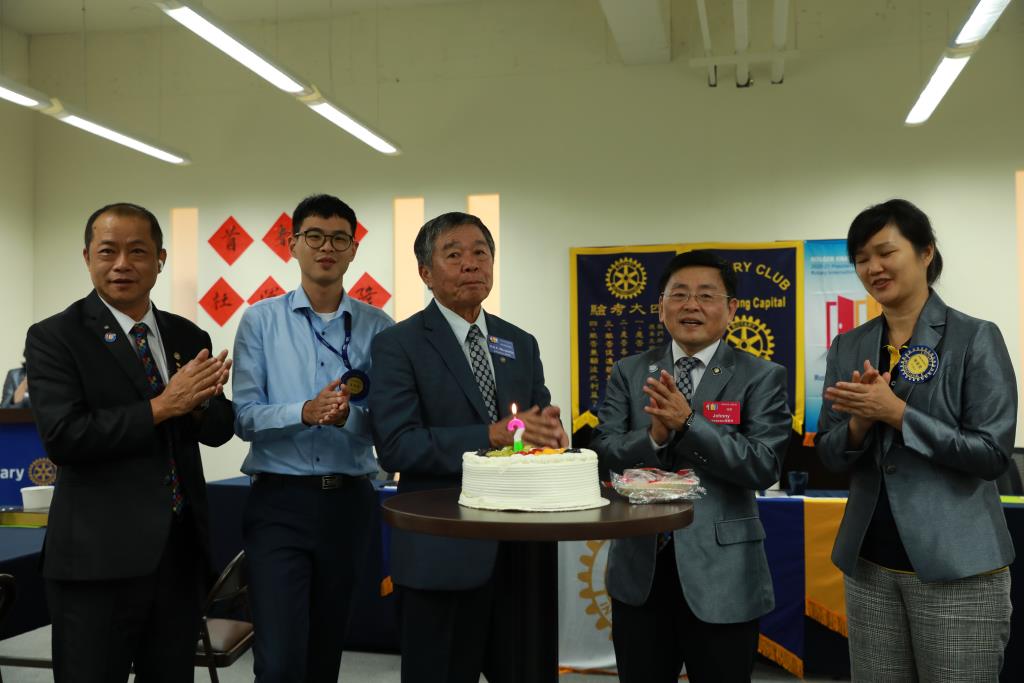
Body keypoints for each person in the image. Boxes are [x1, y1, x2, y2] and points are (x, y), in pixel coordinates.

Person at [25, 202, 234, 682]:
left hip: (178, 556)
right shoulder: (56, 337)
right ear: (87, 258)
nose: (122, 264)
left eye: (137, 251)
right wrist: (164, 405)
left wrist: (198, 404)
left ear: (160, 259)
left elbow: (219, 428)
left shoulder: (187, 335)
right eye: (108, 251)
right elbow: (65, 437)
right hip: (96, 562)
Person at [817, 198, 1015, 681]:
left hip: (958, 566)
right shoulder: (849, 345)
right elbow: (828, 451)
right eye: (862, 259)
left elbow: (992, 453)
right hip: (869, 563)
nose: (873, 268)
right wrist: (859, 425)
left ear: (926, 253)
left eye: (886, 252)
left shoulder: (975, 337)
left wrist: (897, 414)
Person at [370, 211, 567, 683]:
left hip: (523, 551)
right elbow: (396, 446)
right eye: (454, 254)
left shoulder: (519, 342)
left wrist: (552, 437)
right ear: (425, 272)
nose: (471, 263)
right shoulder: (398, 344)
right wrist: (489, 436)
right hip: (442, 549)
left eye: (481, 252)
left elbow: (534, 423)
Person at [592, 250, 791, 683]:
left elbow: (764, 465)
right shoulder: (630, 371)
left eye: (706, 295)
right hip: (641, 570)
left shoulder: (761, 375)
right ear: (660, 306)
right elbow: (603, 454)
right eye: (679, 294)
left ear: (731, 309)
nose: (691, 305)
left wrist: (689, 424)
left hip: (723, 573)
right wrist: (653, 438)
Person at [232, 193, 394, 682]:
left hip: (349, 503)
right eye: (315, 236)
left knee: (325, 651)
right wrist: (303, 412)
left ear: (353, 250)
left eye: (340, 239)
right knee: (280, 659)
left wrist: (346, 419)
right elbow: (244, 418)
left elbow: (387, 425)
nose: (327, 247)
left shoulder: (379, 328)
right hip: (280, 503)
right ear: (292, 244)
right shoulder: (261, 320)